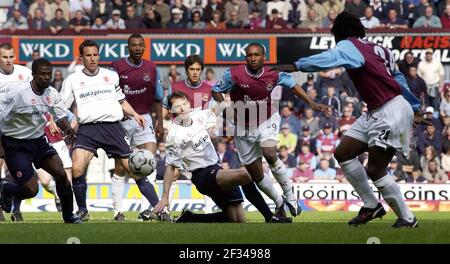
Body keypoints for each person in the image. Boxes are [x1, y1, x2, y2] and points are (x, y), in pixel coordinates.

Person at [273, 12, 430, 228]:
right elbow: (399, 78)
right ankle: (371, 205)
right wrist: (413, 107)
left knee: (375, 169)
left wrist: (296, 65)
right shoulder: (381, 49)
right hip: (377, 110)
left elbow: (330, 58)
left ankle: (408, 218)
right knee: (343, 153)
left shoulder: (349, 45)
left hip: (390, 111)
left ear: (339, 32)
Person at [212, 42, 330, 218]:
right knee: (256, 174)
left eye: (256, 55)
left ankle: (290, 197)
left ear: (263, 57)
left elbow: (293, 84)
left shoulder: (272, 74)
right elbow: (216, 90)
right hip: (243, 127)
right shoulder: (234, 74)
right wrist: (227, 109)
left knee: (269, 152)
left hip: (267, 119)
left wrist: (311, 103)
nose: (253, 58)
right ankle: (279, 201)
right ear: (246, 57)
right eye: (249, 55)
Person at [152, 91, 291, 223]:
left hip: (216, 169)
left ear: (189, 103)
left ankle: (191, 217)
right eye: (177, 106)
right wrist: (164, 198)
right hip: (202, 176)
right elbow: (171, 167)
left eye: (184, 103)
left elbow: (218, 109)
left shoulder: (199, 116)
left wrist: (225, 97)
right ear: (171, 110)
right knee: (247, 174)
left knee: (237, 219)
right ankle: (270, 217)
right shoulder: (174, 135)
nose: (182, 108)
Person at [60, 40, 146, 222]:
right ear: (81, 57)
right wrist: (67, 122)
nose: (92, 59)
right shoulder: (72, 80)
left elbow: (121, 100)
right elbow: (61, 106)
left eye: (95, 55)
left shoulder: (110, 76)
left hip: (112, 128)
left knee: (133, 167)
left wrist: (135, 114)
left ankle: (158, 208)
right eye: (88, 55)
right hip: (88, 129)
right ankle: (82, 210)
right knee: (76, 167)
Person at [0, 58, 80, 224]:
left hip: (38, 141)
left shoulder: (51, 93)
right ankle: (6, 189)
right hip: (15, 144)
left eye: (48, 74)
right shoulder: (17, 94)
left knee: (61, 174)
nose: (46, 77)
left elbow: (61, 117)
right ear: (33, 75)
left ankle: (69, 216)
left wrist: (68, 128)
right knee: (30, 190)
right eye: (42, 74)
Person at [110, 34, 167, 222]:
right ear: (128, 47)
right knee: (120, 166)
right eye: (133, 45)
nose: (136, 48)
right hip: (121, 120)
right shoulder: (116, 67)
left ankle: (147, 210)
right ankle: (117, 211)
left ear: (144, 47)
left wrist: (159, 122)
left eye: (139, 45)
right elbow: (110, 95)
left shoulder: (152, 67)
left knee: (148, 163)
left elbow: (158, 98)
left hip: (144, 118)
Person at [0, 43, 34, 222]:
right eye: (5, 57)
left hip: (20, 129)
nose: (8, 60)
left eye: (11, 57)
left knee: (18, 172)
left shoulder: (25, 74)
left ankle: (16, 209)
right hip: (0, 127)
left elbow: (37, 96)